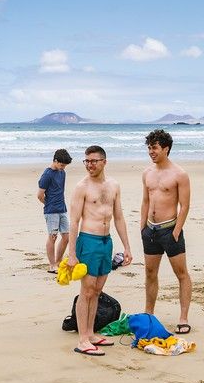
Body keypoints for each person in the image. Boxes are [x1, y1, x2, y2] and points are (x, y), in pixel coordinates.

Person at [66, 145, 133, 356]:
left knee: (96, 291)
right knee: (86, 291)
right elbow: (74, 221)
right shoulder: (82, 187)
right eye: (86, 161)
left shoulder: (114, 185)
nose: (89, 165)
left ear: (104, 162)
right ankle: (83, 339)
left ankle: (91, 333)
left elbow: (119, 217)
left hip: (106, 242)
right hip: (88, 241)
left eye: (94, 161)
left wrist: (127, 247)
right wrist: (72, 254)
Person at [140, 129, 193, 334]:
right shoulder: (147, 173)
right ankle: (149, 314)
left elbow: (185, 205)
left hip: (170, 230)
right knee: (150, 273)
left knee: (181, 274)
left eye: (154, 147)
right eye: (149, 148)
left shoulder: (180, 174)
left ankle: (183, 317)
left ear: (166, 149)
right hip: (150, 231)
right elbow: (145, 200)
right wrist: (142, 226)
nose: (151, 151)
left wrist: (177, 230)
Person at [38, 148, 73, 273]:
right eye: (62, 165)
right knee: (53, 237)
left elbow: (60, 190)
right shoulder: (47, 175)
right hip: (51, 210)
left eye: (65, 166)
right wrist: (49, 204)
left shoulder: (62, 173)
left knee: (66, 237)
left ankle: (58, 262)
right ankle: (52, 265)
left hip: (62, 208)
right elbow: (40, 195)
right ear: (56, 161)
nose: (63, 167)